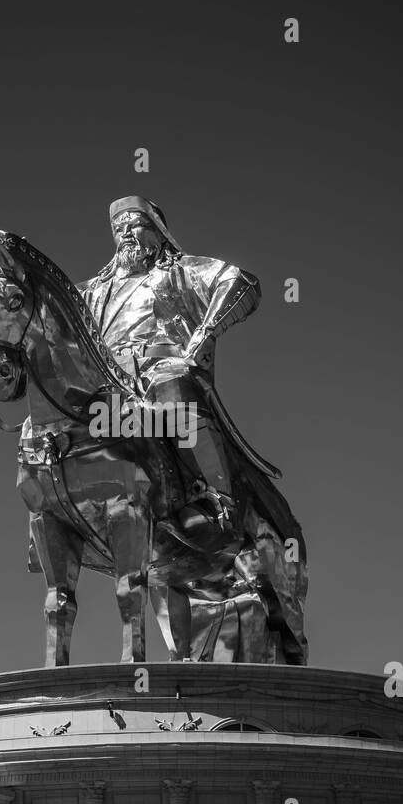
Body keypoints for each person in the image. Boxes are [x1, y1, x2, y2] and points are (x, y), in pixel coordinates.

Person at [79, 196, 264, 545]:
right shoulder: (93, 292)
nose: (126, 233)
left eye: (135, 224)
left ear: (159, 233)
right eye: (119, 228)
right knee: (47, 423)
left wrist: (207, 332)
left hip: (160, 366)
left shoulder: (179, 271)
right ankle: (56, 513)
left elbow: (242, 282)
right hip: (109, 381)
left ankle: (218, 499)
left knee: (173, 387)